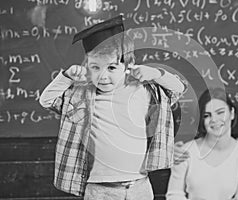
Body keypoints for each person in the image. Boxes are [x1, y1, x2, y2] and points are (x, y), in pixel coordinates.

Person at [39, 15, 187, 199]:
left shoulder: (142, 89)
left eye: (111, 68)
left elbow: (178, 89)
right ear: (87, 65)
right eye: (95, 67)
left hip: (139, 185)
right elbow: (47, 100)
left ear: (127, 65)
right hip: (98, 188)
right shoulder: (81, 96)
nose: (103, 76)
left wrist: (156, 73)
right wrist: (66, 77)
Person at [167, 88, 238, 200]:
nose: (214, 119)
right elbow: (174, 194)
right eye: (207, 115)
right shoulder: (185, 152)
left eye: (220, 112)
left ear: (232, 113)